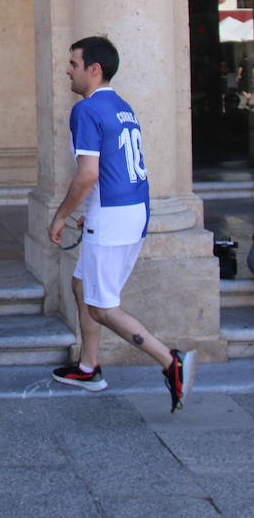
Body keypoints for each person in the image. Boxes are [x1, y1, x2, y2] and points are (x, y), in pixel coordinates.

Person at [48, 35, 196, 411]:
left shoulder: (85, 110)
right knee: (82, 283)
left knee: (102, 306)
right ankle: (88, 366)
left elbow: (87, 175)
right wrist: (93, 213)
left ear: (94, 70)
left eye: (73, 63)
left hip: (112, 217)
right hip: (130, 211)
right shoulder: (123, 107)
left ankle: (170, 362)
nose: (68, 69)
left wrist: (61, 215)